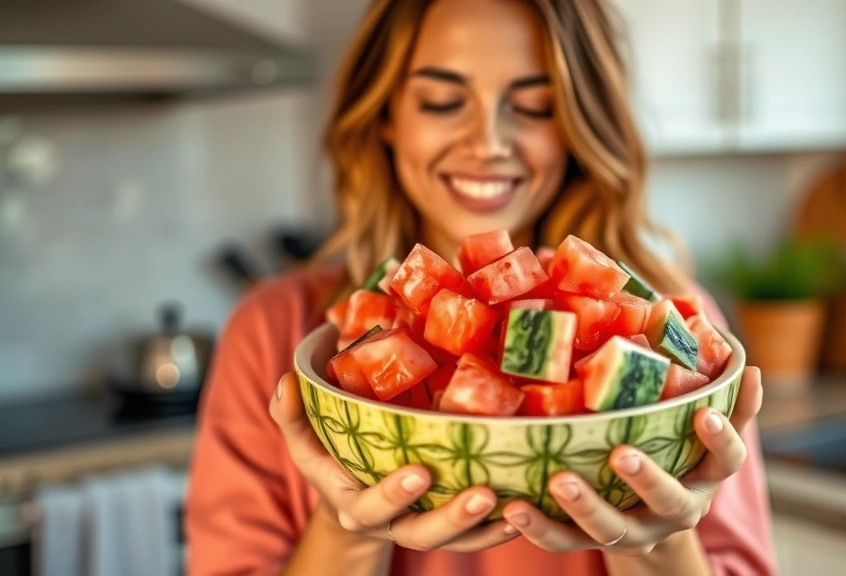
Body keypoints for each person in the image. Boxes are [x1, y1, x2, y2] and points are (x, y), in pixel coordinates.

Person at [184, 0, 776, 574]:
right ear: (385, 113)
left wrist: (657, 542)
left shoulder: (670, 321)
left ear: (579, 126)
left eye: (537, 106)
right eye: (442, 102)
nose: (488, 143)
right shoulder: (273, 331)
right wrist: (346, 529)